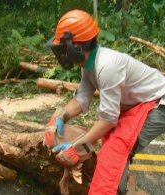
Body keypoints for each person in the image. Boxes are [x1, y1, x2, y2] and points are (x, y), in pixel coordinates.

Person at [43, 9, 165, 195]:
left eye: (64, 48)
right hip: (139, 103)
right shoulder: (90, 66)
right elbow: (81, 98)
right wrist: (58, 117)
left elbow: (109, 119)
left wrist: (77, 147)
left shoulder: (107, 66)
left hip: (157, 103)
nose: (62, 53)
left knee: (117, 146)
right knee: (109, 139)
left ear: (75, 47)